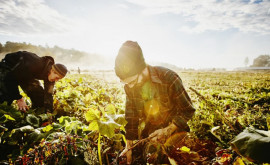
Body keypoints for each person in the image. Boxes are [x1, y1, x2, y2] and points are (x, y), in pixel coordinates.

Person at [115, 41, 195, 164]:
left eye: (132, 81)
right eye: (126, 83)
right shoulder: (130, 87)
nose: (129, 87)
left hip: (175, 130)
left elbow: (187, 110)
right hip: (150, 132)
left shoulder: (169, 78)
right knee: (148, 157)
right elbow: (131, 117)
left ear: (142, 68)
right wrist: (128, 146)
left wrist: (167, 130)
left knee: (176, 157)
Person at [0, 51, 67, 113]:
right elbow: (10, 78)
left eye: (59, 79)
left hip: (26, 74)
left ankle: (34, 113)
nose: (56, 80)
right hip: (8, 69)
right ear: (52, 71)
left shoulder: (51, 77)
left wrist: (49, 113)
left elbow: (48, 95)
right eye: (57, 78)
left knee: (40, 96)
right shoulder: (35, 64)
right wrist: (19, 99)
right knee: (5, 99)